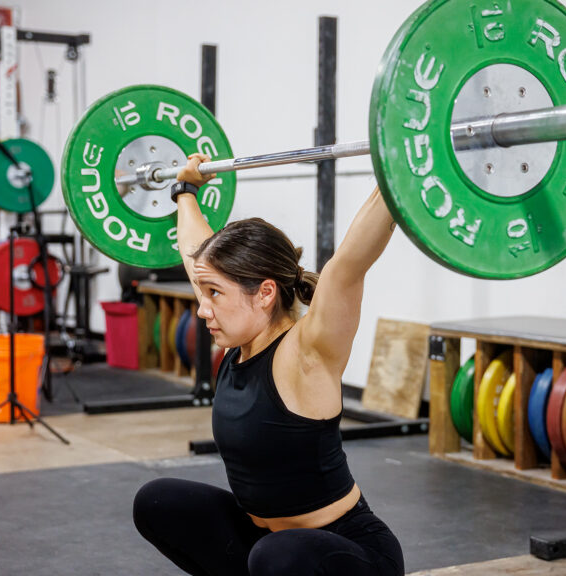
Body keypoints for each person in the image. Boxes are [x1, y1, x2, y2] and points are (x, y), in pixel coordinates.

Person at [133, 153, 405, 576]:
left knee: (278, 557)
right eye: (203, 293)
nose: (203, 309)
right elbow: (195, 251)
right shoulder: (237, 335)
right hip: (266, 544)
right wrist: (185, 192)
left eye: (215, 295)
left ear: (264, 293)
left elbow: (348, 265)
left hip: (345, 552)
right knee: (156, 501)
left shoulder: (307, 352)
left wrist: (400, 168)